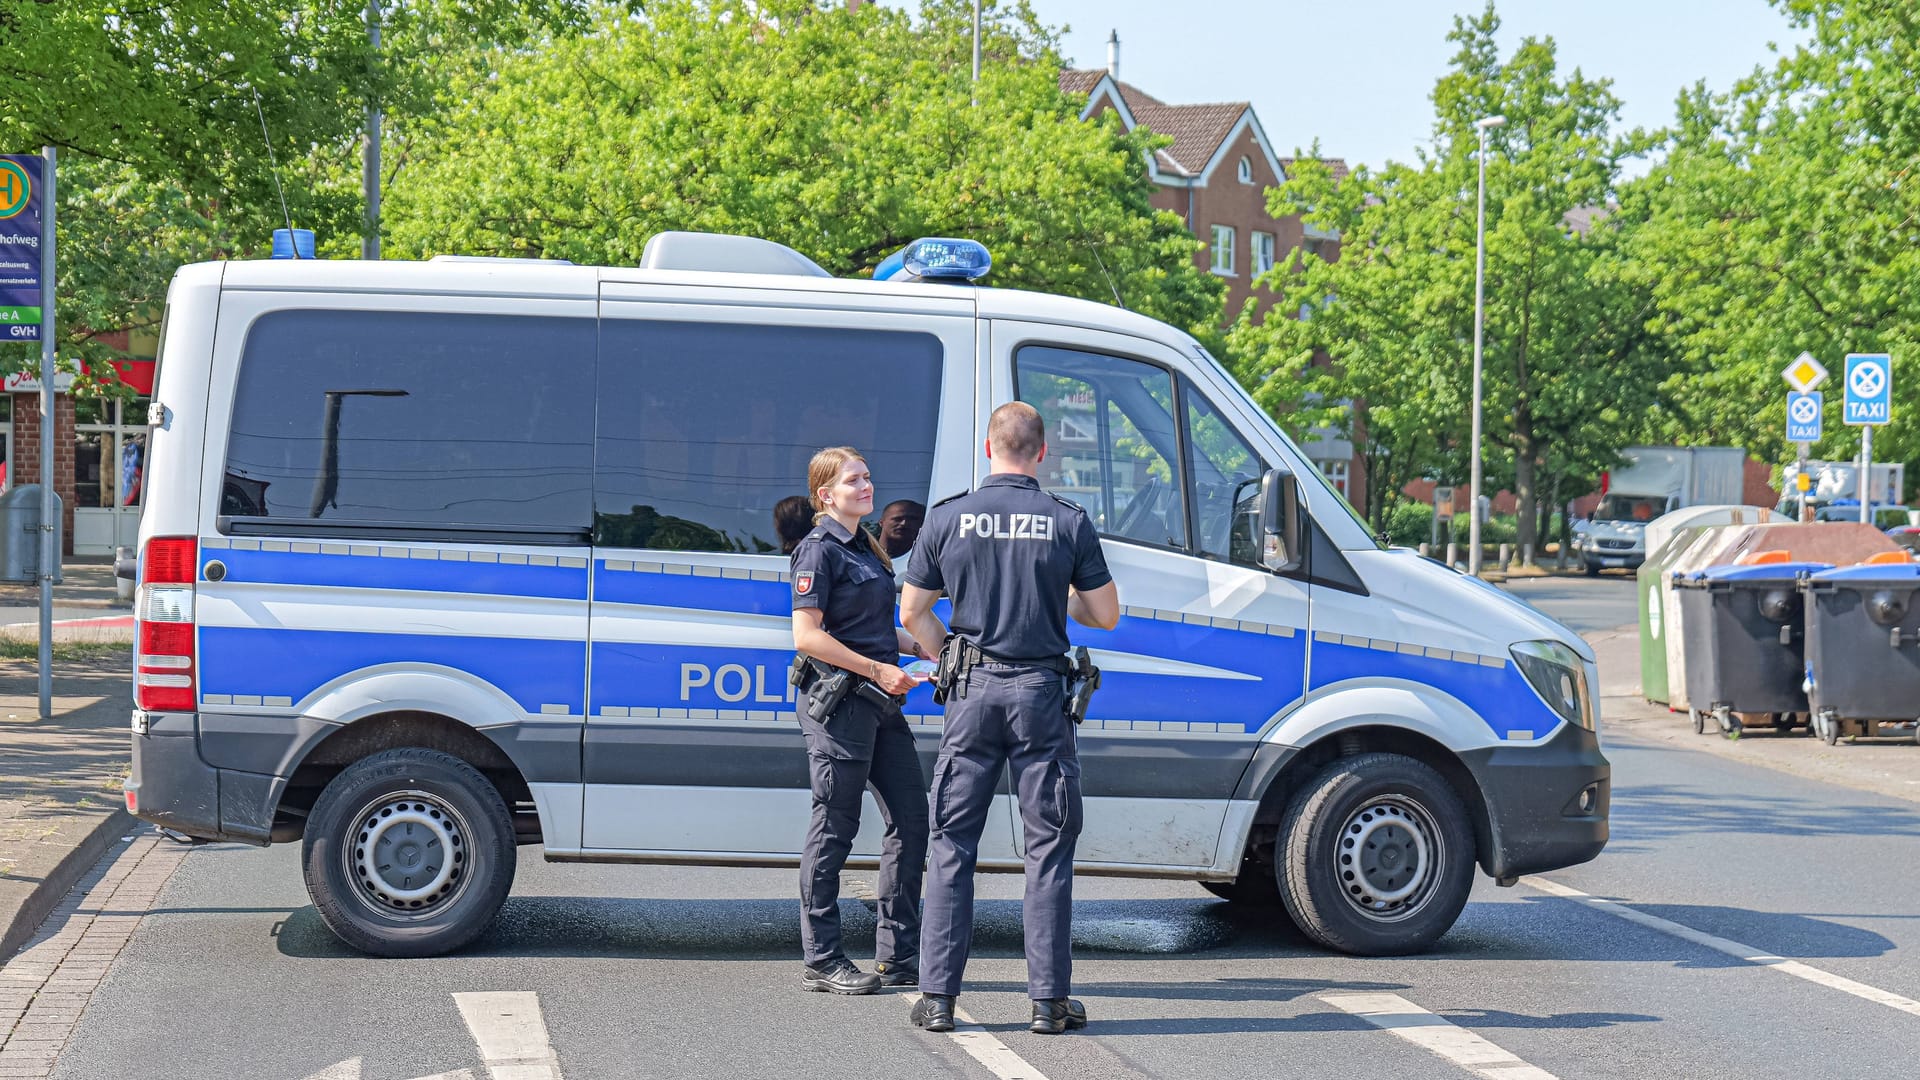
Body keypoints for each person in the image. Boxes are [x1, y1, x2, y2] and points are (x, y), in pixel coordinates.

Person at [898, 402, 1120, 1035]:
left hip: (970, 693)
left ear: (988, 447)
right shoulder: (1067, 522)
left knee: (951, 845)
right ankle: (1048, 1003)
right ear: (1042, 453)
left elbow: (913, 611)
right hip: (1041, 698)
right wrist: (1056, 592)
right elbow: (1104, 615)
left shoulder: (948, 518)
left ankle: (938, 1000)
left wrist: (951, 656)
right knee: (1048, 848)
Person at [789, 447, 932, 995]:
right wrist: (878, 668)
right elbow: (807, 635)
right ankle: (821, 959)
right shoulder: (818, 550)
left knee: (911, 821)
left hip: (879, 702)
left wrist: (926, 651)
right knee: (835, 829)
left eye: (869, 477)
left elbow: (874, 628)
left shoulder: (865, 549)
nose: (866, 486)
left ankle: (898, 955)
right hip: (841, 705)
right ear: (826, 494)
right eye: (854, 480)